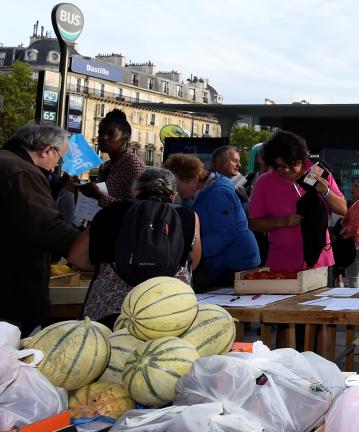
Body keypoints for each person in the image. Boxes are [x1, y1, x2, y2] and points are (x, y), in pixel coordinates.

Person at [68, 168, 202, 326]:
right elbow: (193, 262)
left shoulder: (109, 212)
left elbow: (76, 258)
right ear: (173, 195)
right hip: (169, 312)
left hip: (112, 312)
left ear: (135, 190)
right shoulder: (188, 216)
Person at [0, 125, 81, 336]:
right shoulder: (22, 171)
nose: (56, 167)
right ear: (46, 150)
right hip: (12, 291)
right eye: (59, 159)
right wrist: (86, 246)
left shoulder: (8, 161)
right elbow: (48, 227)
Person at [247, 130, 348, 272]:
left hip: (320, 261)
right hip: (282, 263)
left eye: (292, 164)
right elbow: (253, 223)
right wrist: (282, 222)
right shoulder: (264, 182)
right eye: (280, 167)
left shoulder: (316, 172)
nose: (287, 170)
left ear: (301, 158)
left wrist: (326, 192)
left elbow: (343, 209)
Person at [163, 154, 259, 289]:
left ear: (194, 178)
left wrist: (191, 253)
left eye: (178, 186)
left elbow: (225, 234)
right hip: (220, 262)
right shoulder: (193, 195)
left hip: (235, 263)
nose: (177, 192)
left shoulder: (219, 193)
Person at [79, 109, 145, 207]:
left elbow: (137, 208)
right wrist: (77, 188)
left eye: (111, 134)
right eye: (101, 133)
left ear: (125, 138)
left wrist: (99, 196)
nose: (103, 138)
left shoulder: (134, 165)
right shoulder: (105, 166)